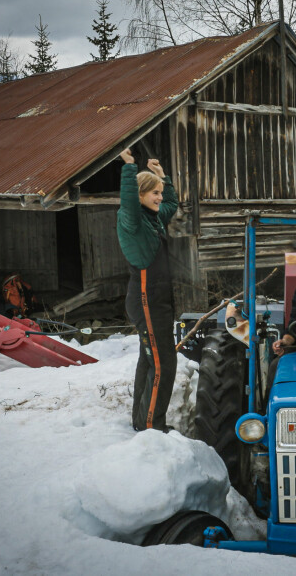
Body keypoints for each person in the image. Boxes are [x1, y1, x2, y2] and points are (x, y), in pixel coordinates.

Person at [117, 148, 179, 433]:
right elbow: (128, 202)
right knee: (163, 365)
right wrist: (130, 167)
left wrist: (162, 178)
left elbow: (171, 204)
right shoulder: (132, 221)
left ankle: (142, 421)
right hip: (147, 301)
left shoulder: (152, 219)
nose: (159, 197)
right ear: (140, 194)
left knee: (150, 360)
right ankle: (153, 427)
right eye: (154, 192)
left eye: (159, 192)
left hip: (156, 302)